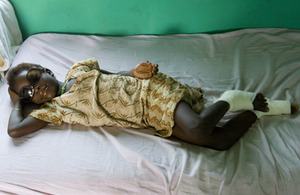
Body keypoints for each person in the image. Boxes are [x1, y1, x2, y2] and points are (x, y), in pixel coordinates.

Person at [6, 58, 298, 150]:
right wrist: (19, 102)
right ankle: (258, 111)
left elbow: (111, 77)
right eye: (28, 92)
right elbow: (15, 131)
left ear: (47, 70)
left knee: (197, 129)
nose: (37, 89)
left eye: (35, 78)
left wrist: (133, 73)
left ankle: (231, 99)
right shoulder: (56, 110)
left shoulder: (78, 70)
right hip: (147, 117)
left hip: (149, 92)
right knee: (217, 142)